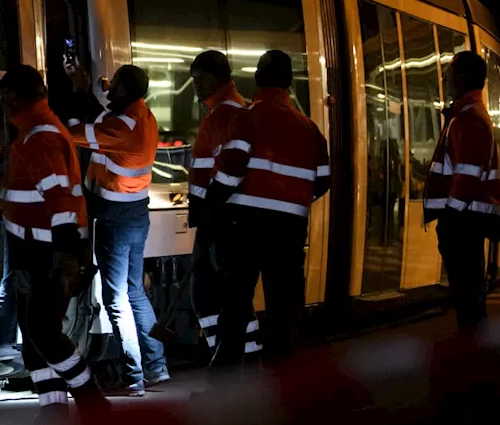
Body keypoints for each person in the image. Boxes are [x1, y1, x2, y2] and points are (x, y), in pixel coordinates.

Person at [0, 65, 105, 416]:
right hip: (35, 248)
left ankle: (91, 400)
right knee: (35, 336)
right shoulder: (35, 131)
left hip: (43, 251)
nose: (1, 104)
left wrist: (65, 252)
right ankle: (53, 410)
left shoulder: (38, 135)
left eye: (3, 96)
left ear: (13, 98)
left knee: (43, 332)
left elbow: (58, 198)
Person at [206, 50, 330, 367]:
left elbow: (231, 169)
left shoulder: (246, 117)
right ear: (288, 82)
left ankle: (225, 380)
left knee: (235, 304)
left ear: (258, 78)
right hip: (289, 230)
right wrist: (291, 200)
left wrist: (213, 203)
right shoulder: (309, 128)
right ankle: (281, 382)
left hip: (245, 227)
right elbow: (323, 180)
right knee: (283, 306)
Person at [66, 63, 168, 396]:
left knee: (116, 298)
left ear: (124, 90)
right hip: (136, 215)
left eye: (115, 86)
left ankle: (133, 377)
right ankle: (156, 366)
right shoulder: (143, 117)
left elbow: (74, 132)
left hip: (114, 218)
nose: (109, 89)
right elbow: (105, 124)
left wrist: (76, 94)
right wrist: (88, 93)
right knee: (134, 291)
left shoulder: (123, 127)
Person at [184, 50, 254, 361]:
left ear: (217, 77)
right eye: (193, 79)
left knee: (208, 294)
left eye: (200, 78)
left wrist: (204, 207)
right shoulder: (226, 110)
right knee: (225, 296)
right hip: (222, 215)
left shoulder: (225, 114)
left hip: (220, 217)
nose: (196, 85)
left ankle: (230, 360)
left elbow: (222, 168)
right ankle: (241, 357)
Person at [424, 50, 500, 329]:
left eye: (447, 76)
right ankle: (475, 350)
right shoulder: (473, 115)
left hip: (464, 222)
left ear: (459, 78)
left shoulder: (467, 119)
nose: (445, 82)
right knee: (470, 297)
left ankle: (474, 356)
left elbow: (466, 177)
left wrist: (450, 218)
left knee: (467, 296)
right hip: (472, 219)